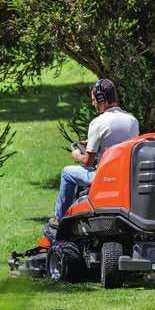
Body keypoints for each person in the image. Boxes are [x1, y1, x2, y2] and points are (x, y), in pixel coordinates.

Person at [49, 79, 139, 227]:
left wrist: (77, 154)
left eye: (93, 100)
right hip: (125, 175)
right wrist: (92, 141)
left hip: (104, 177)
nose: (93, 104)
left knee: (67, 172)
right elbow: (118, 143)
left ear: (101, 99)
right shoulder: (132, 120)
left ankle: (59, 218)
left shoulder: (98, 123)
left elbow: (88, 161)